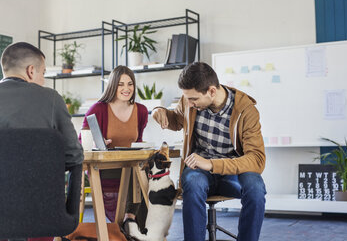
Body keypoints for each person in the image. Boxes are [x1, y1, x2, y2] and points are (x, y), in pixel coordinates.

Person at [152, 62, 266, 241]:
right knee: (193, 182)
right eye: (187, 98)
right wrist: (160, 111)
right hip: (200, 172)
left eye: (194, 99)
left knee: (256, 188)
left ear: (212, 91)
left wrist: (212, 164)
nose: (189, 103)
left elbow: (257, 160)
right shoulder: (189, 101)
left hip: (232, 173)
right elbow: (176, 119)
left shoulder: (246, 111)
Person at [0, 42, 84, 241]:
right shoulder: (51, 98)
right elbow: (74, 156)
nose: (43, 80)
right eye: (43, 73)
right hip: (43, 212)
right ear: (31, 71)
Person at [81, 65, 148, 229]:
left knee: (141, 169)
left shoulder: (141, 111)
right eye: (121, 84)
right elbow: (82, 142)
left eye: (130, 84)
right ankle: (130, 223)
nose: (127, 88)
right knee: (136, 170)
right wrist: (98, 143)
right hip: (104, 168)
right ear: (112, 86)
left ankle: (129, 219)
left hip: (131, 167)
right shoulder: (98, 109)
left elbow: (138, 141)